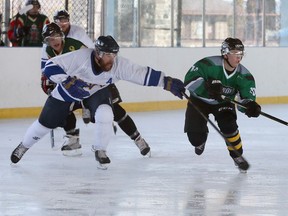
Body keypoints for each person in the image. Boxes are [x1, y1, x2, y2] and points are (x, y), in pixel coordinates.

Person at [10, 35, 185, 169]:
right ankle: (24, 146)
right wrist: (67, 81)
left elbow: (141, 73)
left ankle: (100, 150)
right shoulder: (80, 58)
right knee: (44, 124)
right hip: (67, 92)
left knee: (106, 113)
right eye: (108, 55)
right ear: (98, 53)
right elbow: (49, 67)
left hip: (95, 93)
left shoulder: (118, 65)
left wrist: (167, 82)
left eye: (114, 55)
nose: (112, 60)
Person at [43, 12, 152, 157]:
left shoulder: (77, 36)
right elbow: (46, 67)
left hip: (100, 79)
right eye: (51, 38)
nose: (54, 39)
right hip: (75, 84)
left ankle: (138, 139)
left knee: (116, 110)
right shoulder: (48, 49)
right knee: (64, 107)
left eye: (64, 22)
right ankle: (73, 139)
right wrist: (49, 81)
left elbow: (94, 53)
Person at [183, 37, 261, 172]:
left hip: (223, 103)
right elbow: (189, 81)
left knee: (229, 125)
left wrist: (250, 106)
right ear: (225, 53)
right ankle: (201, 139)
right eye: (235, 53)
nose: (239, 57)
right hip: (199, 100)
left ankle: (237, 155)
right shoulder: (207, 64)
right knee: (195, 139)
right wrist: (206, 88)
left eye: (241, 53)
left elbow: (244, 99)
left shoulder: (245, 76)